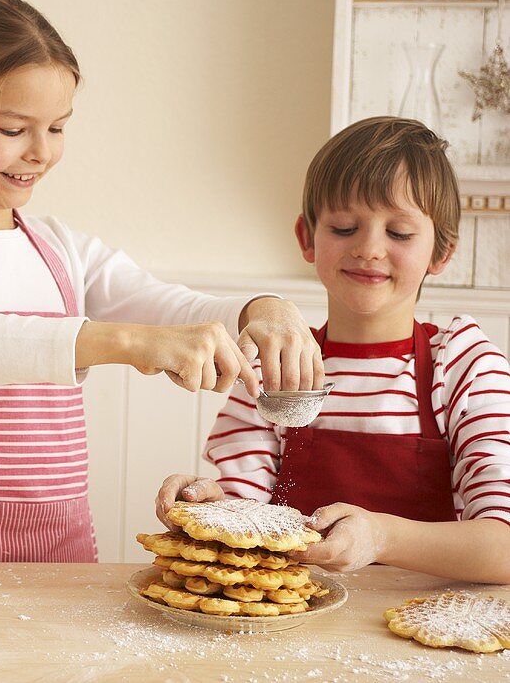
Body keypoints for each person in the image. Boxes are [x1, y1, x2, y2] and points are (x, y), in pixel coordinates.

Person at [0, 0, 320, 563]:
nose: (41, 153)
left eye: (58, 128)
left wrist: (261, 309)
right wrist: (120, 341)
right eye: (14, 128)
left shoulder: (64, 251)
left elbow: (166, 306)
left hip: (60, 558)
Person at [157, 116, 510, 583]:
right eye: (344, 227)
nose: (368, 248)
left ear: (440, 252)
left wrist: (382, 537)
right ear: (307, 237)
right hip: (296, 622)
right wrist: (207, 506)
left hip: (426, 629)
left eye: (399, 233)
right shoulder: (271, 365)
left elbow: (502, 547)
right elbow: (246, 511)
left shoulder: (463, 366)